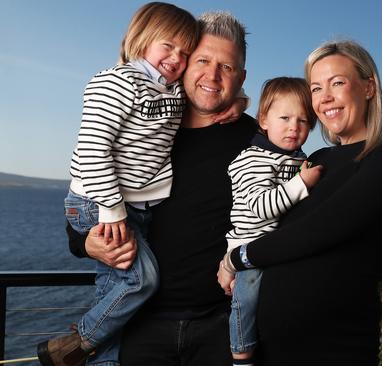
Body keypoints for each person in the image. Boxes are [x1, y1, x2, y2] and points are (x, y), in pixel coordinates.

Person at [65, 10, 254, 366]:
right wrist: (86, 243)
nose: (212, 75)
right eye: (202, 60)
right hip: (141, 325)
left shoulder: (258, 140)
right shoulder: (146, 124)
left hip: (220, 326)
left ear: (241, 77)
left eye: (226, 67)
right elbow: (85, 202)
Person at [218, 40, 382, 366]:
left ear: (368, 87)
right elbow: (266, 180)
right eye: (315, 88)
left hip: (333, 347)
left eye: (337, 83)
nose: (324, 97)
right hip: (270, 349)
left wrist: (236, 258)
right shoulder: (315, 160)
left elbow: (319, 229)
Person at [39, 3, 200, 366]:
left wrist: (234, 105)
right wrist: (112, 210)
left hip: (136, 207)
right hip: (100, 203)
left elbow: (200, 102)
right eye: (168, 46)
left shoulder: (170, 91)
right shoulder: (117, 81)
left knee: (115, 289)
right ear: (141, 39)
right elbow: (94, 150)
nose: (176, 58)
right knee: (139, 282)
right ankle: (75, 345)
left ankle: (96, 356)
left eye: (186, 53)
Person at [226, 77, 322, 366]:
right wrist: (302, 184)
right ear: (264, 120)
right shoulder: (254, 160)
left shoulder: (296, 159)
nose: (295, 127)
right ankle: (240, 353)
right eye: (285, 118)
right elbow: (260, 207)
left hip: (280, 249)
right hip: (251, 244)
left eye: (304, 120)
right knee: (247, 295)